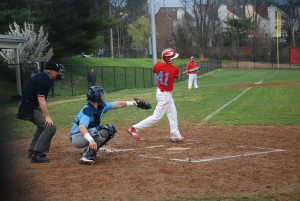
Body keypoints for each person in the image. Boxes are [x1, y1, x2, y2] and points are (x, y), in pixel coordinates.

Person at [70, 86, 143, 164]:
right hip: (76, 138)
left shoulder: (100, 106)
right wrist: (91, 140)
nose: (103, 97)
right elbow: (82, 128)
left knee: (111, 130)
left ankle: (89, 150)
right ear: (97, 97)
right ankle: (86, 157)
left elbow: (117, 104)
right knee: (101, 132)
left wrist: (134, 103)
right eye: (101, 95)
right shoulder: (87, 111)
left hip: (85, 134)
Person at [128, 48, 187, 143]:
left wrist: (172, 73)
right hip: (165, 96)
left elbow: (159, 71)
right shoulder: (175, 69)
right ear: (170, 60)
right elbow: (174, 74)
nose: (174, 59)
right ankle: (134, 128)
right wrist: (177, 74)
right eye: (173, 58)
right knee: (156, 117)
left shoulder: (158, 65)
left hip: (160, 92)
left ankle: (175, 134)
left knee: (173, 113)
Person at [17, 61, 65, 163]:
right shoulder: (46, 78)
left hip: (28, 105)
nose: (58, 74)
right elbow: (41, 99)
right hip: (28, 107)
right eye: (57, 72)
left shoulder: (43, 76)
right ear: (52, 71)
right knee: (50, 127)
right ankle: (37, 153)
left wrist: (44, 114)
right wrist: (47, 116)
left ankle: (32, 151)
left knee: (42, 126)